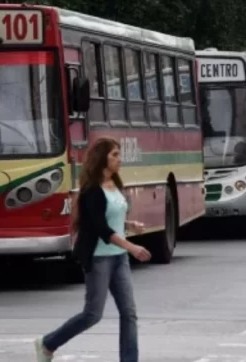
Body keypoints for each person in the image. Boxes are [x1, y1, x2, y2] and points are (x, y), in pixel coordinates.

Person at [35, 137, 152, 362]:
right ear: (102, 159)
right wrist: (132, 247)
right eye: (114, 155)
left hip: (119, 259)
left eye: (119, 155)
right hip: (99, 259)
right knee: (92, 314)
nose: (119, 159)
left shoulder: (115, 185)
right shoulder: (92, 191)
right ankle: (48, 343)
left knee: (129, 313)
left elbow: (111, 219)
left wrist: (130, 225)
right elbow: (99, 227)